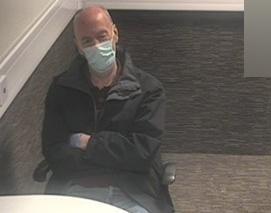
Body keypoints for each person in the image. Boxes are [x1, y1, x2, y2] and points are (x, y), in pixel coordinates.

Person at [41, 5, 174, 213]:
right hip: (77, 189)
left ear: (115, 34)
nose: (96, 45)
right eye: (87, 41)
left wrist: (88, 142)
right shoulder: (61, 89)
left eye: (102, 37)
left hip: (132, 192)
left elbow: (142, 153)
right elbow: (54, 151)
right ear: (78, 47)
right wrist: (115, 155)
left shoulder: (149, 89)